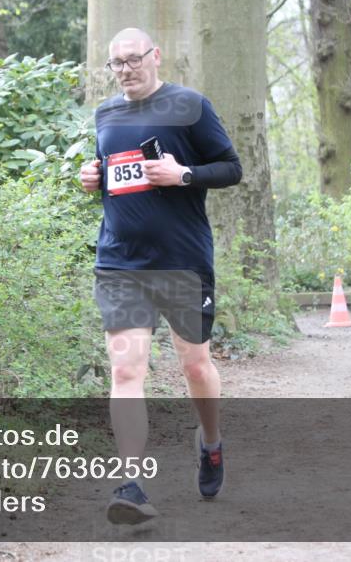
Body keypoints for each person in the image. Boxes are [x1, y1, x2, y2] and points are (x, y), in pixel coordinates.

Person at [79, 28, 242, 523]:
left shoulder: (189, 106)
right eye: (116, 63)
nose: (125, 70)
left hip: (182, 260)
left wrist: (184, 175)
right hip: (121, 262)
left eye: (133, 59)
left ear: (155, 57)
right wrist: (94, 177)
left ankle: (210, 442)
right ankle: (130, 484)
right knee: (127, 370)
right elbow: (115, 171)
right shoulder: (106, 113)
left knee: (195, 366)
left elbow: (231, 168)